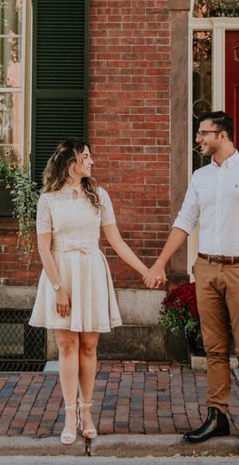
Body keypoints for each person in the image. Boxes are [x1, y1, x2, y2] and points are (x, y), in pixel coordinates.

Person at [149, 111, 239, 449]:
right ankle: (217, 416)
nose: (199, 139)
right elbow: (185, 221)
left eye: (203, 133)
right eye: (199, 133)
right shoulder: (200, 177)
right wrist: (160, 264)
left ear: (223, 135)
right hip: (207, 269)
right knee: (213, 348)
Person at [29, 138, 165, 445]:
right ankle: (68, 415)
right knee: (66, 345)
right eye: (86, 157)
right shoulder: (48, 199)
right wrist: (58, 288)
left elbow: (116, 242)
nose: (91, 162)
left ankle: (87, 412)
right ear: (71, 162)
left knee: (89, 345)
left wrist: (146, 271)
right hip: (60, 272)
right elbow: (43, 248)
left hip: (90, 272)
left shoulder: (99, 195)